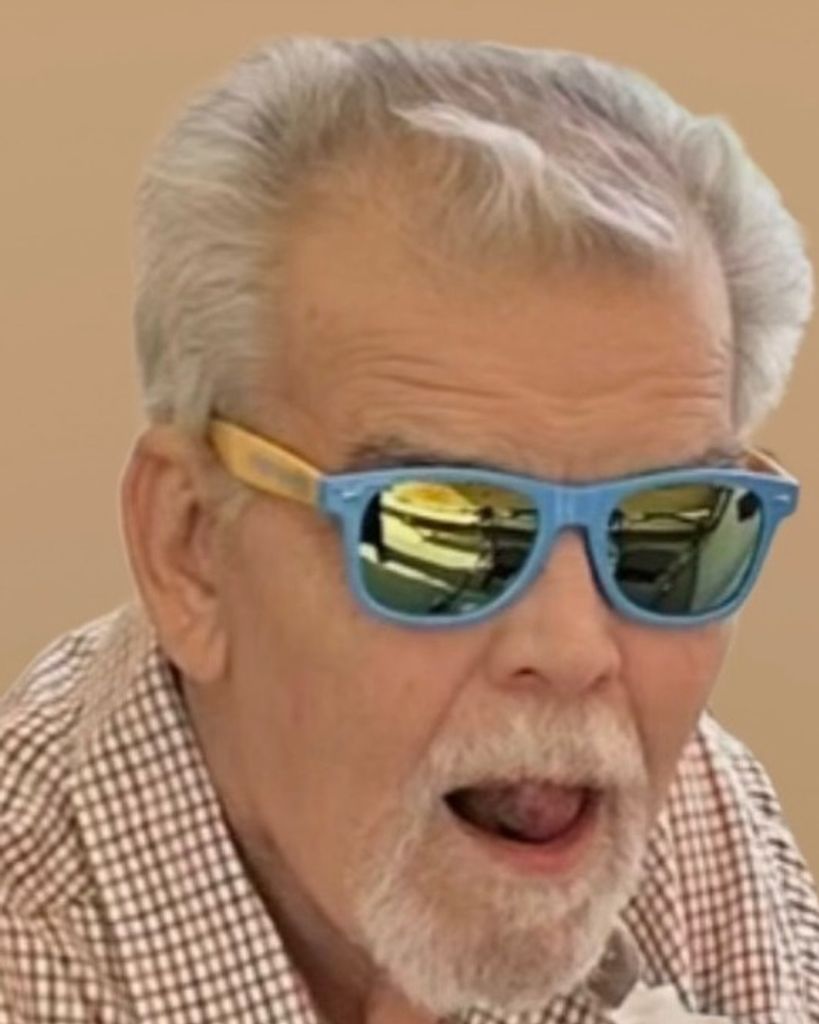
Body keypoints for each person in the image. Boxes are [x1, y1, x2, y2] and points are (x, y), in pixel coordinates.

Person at [1, 35, 817, 1024]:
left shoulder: (701, 825)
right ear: (191, 551)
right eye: (442, 533)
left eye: (666, 533)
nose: (576, 651)